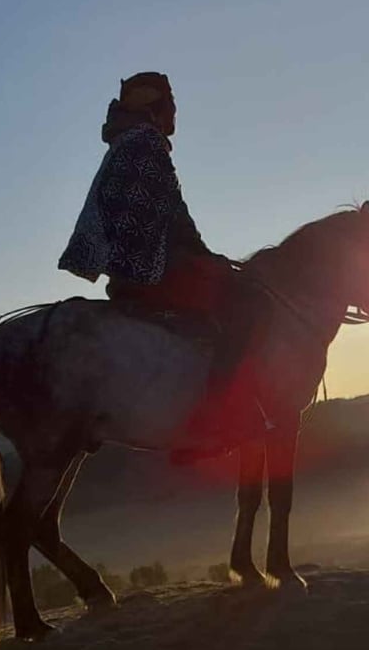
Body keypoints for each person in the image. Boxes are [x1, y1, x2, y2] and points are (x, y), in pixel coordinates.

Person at [59, 72, 267, 457]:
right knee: (246, 303)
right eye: (171, 107)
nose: (175, 116)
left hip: (126, 268)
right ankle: (213, 418)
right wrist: (211, 259)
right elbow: (174, 218)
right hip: (150, 269)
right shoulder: (148, 144)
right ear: (157, 109)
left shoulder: (126, 143)